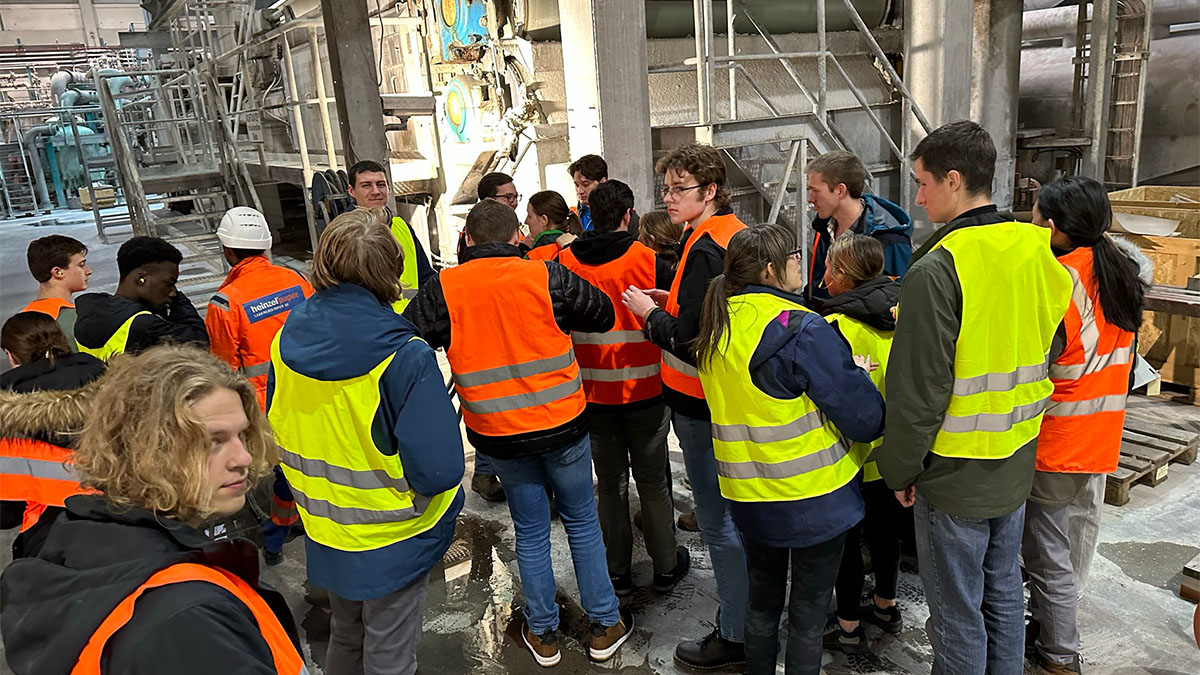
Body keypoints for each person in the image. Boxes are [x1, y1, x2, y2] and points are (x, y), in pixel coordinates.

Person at [876, 120, 1072, 675]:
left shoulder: (937, 267)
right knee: (1004, 590)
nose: (916, 197)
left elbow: (919, 394)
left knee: (957, 615)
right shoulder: (1034, 248)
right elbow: (1053, 341)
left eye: (922, 183)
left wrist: (900, 471)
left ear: (954, 180)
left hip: (954, 472)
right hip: (1015, 459)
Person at [405, 199, 631, 667]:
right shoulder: (545, 275)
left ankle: (544, 633)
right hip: (563, 425)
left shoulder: (444, 287)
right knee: (583, 523)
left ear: (466, 240)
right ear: (516, 239)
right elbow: (604, 314)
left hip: (499, 434)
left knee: (530, 532)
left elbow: (407, 337)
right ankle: (605, 625)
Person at [0, 344, 304, 674]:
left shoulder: (81, 533)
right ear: (144, 448)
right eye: (212, 441)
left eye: (241, 434)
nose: (243, 458)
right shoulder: (189, 621)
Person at [268, 207, 464, 675]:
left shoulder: (283, 340)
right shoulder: (404, 355)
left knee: (347, 633)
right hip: (394, 535)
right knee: (390, 653)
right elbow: (440, 471)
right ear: (390, 272)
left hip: (325, 524)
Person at [693, 223, 883, 675]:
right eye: (795, 256)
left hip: (751, 500)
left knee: (763, 608)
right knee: (807, 618)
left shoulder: (717, 324)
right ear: (771, 269)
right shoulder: (800, 329)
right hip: (816, 498)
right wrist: (854, 373)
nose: (804, 262)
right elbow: (865, 418)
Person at [622, 142, 749, 670]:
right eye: (667, 189)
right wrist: (668, 300)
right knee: (737, 518)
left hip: (699, 404)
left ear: (711, 190)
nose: (670, 199)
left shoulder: (704, 250)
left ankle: (736, 633)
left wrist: (647, 316)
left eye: (681, 189)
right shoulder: (729, 234)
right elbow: (705, 312)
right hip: (725, 400)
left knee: (718, 522)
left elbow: (695, 341)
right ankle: (751, 616)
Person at [1022, 176, 1148, 675]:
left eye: (1033, 215)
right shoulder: (1118, 272)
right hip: (1101, 434)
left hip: (1058, 440)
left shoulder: (1057, 281)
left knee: (1045, 552)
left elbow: (1036, 367)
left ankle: (1058, 654)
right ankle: (1053, 627)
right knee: (1073, 544)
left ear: (1052, 227)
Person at [556, 180, 690, 597]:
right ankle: (666, 566)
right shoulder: (649, 260)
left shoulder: (561, 264)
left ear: (590, 213)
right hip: (646, 391)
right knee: (652, 483)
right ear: (628, 216)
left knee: (610, 484)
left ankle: (616, 571)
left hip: (591, 395)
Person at [814, 235, 909, 654]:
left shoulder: (838, 327)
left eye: (830, 270)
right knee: (886, 534)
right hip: (893, 453)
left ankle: (849, 625)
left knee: (848, 543)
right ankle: (887, 606)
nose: (823, 277)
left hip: (852, 455)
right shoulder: (901, 314)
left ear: (845, 277)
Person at [205, 206, 314, 566]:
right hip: (314, 391)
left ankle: (274, 542)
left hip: (270, 407)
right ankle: (285, 533)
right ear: (265, 245)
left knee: (286, 476)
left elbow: (224, 370)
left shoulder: (225, 303)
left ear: (227, 250)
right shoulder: (296, 280)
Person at [0, 312, 104, 558]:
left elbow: (5, 514)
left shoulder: (7, 422)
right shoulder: (112, 386)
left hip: (51, 541)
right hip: (132, 522)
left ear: (11, 355)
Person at [463, 170, 522, 501]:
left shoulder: (508, 232)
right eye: (507, 198)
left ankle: (485, 473)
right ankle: (485, 474)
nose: (513, 203)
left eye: (515, 197)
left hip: (503, 339)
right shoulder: (471, 238)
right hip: (485, 344)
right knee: (492, 413)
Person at [804, 151, 913, 307]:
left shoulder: (889, 238)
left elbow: (896, 302)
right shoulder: (824, 227)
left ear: (840, 190)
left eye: (815, 190)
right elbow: (817, 286)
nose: (810, 199)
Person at [74, 236, 208, 359]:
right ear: (141, 278)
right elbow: (200, 343)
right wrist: (180, 302)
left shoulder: (90, 308)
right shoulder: (146, 325)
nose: (172, 292)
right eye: (169, 283)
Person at [346, 159, 437, 312]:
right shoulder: (343, 234)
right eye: (366, 185)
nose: (376, 191)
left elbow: (425, 277)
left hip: (410, 320)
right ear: (351, 191)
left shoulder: (402, 227)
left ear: (389, 188)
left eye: (381, 184)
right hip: (371, 323)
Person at [21, 234, 92, 350]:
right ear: (58, 272)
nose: (88, 271)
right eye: (81, 265)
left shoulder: (20, 322)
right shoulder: (76, 321)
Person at [524, 190, 582, 261]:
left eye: (529, 216)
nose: (526, 221)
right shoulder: (581, 250)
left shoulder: (534, 257)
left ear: (544, 220)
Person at [570, 154, 608, 231]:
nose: (580, 191)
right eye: (577, 185)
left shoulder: (621, 214)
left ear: (603, 182)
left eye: (585, 184)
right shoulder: (571, 217)